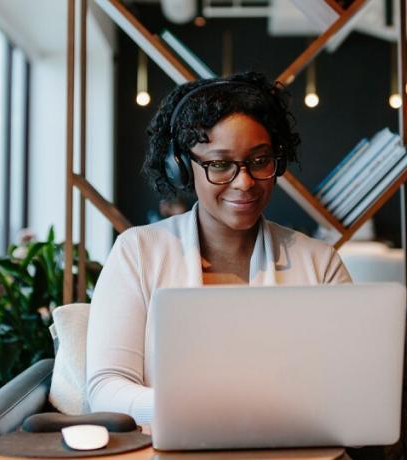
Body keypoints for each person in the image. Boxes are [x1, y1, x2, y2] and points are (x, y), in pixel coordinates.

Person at [86, 72, 351, 424]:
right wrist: (203, 409)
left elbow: (351, 383)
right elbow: (106, 389)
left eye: (259, 161)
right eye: (220, 164)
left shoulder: (320, 263)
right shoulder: (137, 253)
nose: (244, 182)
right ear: (181, 168)